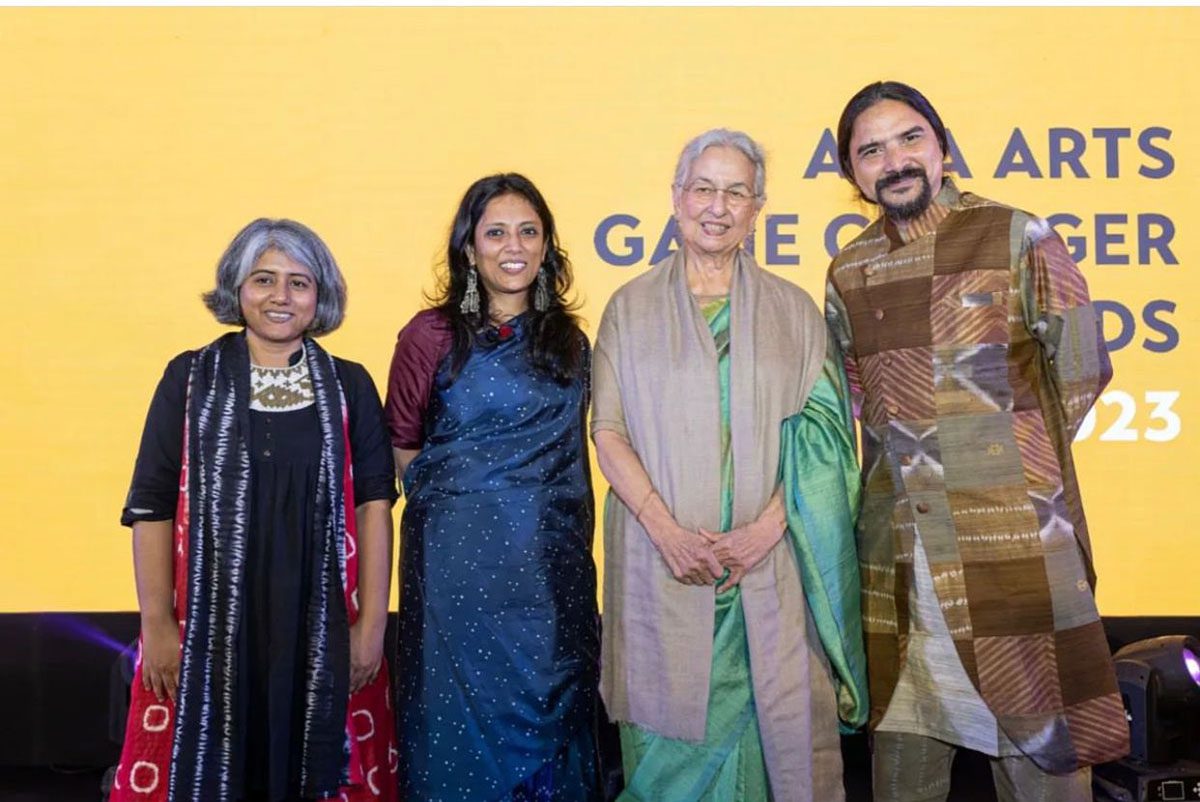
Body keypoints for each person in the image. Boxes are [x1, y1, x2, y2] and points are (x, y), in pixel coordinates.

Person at [825, 81, 1129, 802]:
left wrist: (1001, 469)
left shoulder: (1019, 235)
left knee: (1045, 764)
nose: (892, 160)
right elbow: (857, 398)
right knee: (906, 762)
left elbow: (1084, 367)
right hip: (901, 555)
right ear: (852, 176)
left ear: (943, 147)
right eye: (870, 150)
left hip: (1017, 552)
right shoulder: (848, 272)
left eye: (908, 139)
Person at [591, 129, 867, 802]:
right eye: (703, 188)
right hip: (662, 569)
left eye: (735, 192)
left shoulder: (795, 314)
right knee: (665, 760)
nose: (717, 206)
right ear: (677, 198)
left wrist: (764, 530)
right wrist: (667, 531)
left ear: (757, 208)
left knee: (777, 748)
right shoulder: (629, 308)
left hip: (769, 574)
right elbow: (607, 430)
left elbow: (827, 439)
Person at [113, 218, 399, 802]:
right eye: (263, 279)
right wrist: (158, 625)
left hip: (319, 626)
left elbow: (375, 508)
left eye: (299, 282)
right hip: (209, 628)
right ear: (236, 287)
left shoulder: (349, 385)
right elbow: (151, 506)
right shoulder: (189, 378)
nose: (280, 296)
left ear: (321, 296)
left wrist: (370, 628)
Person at [386, 173, 601, 802]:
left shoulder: (571, 342)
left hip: (548, 575)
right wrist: (470, 509)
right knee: (456, 738)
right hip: (456, 582)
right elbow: (403, 443)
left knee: (554, 728)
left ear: (546, 247)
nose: (514, 245)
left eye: (529, 232)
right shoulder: (430, 336)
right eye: (497, 231)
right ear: (470, 247)